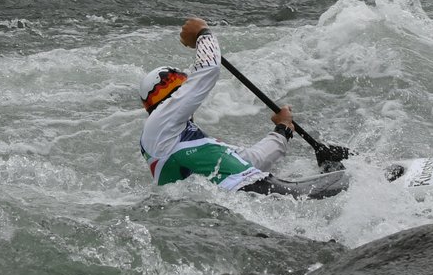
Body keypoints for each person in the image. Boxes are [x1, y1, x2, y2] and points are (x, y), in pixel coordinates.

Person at [140, 17, 339, 198]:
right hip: (253, 192)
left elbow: (252, 160)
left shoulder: (185, 139)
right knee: (351, 180)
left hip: (255, 192)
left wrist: (283, 130)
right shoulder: (159, 124)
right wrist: (202, 33)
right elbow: (208, 69)